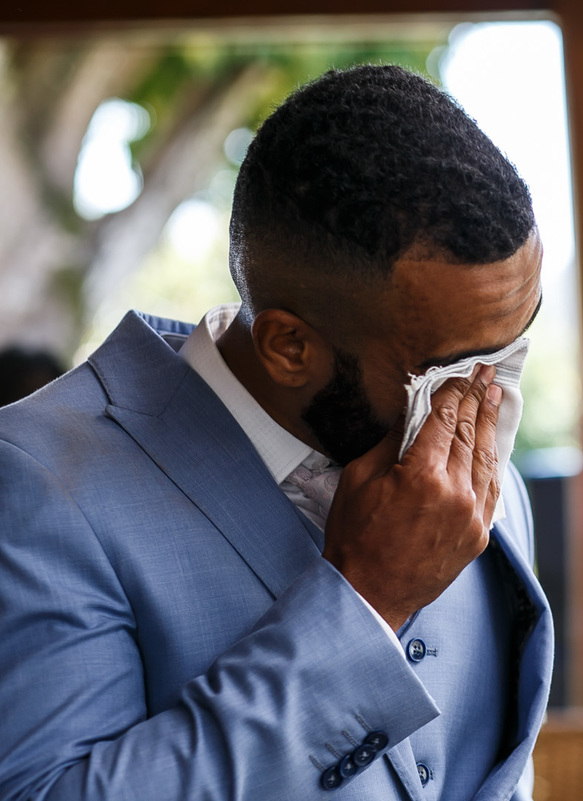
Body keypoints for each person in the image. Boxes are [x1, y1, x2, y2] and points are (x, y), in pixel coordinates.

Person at [0, 65, 552, 801]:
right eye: (455, 367)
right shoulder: (36, 478)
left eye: (515, 346)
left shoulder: (479, 472)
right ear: (291, 346)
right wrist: (366, 601)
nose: (491, 396)